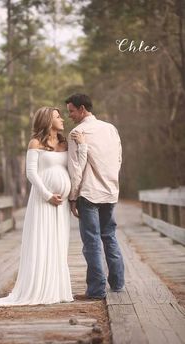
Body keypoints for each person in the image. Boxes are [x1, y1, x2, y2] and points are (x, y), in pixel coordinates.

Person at [0, 106, 87, 306]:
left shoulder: (65, 142)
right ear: (47, 120)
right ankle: (38, 287)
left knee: (59, 243)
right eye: (57, 116)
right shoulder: (35, 143)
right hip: (43, 201)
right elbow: (31, 173)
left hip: (61, 204)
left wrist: (82, 147)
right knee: (42, 241)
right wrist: (47, 195)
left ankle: (56, 288)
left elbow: (76, 166)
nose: (62, 119)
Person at [66, 94, 125, 300]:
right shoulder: (110, 128)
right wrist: (111, 182)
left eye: (71, 111)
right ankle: (117, 284)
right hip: (110, 192)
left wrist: (72, 197)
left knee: (91, 241)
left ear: (82, 109)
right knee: (109, 236)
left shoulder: (77, 133)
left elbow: (76, 168)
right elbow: (118, 158)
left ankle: (96, 290)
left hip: (89, 193)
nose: (69, 116)